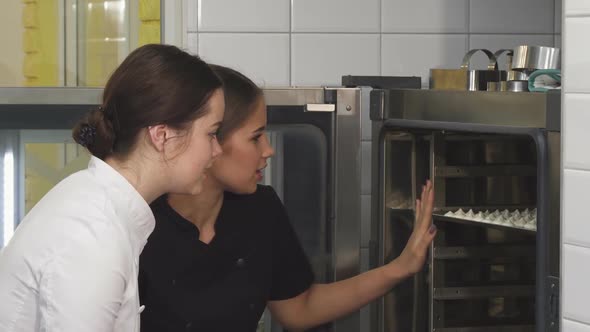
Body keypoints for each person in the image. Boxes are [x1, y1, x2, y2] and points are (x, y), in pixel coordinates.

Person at [138, 65, 436, 332]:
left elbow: (299, 308)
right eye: (256, 137)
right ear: (211, 139)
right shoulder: (140, 220)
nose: (269, 150)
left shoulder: (259, 209)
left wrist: (401, 267)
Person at [0, 44, 224, 332]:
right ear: (162, 135)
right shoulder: (93, 234)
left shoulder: (100, 207)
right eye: (212, 134)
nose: (217, 150)